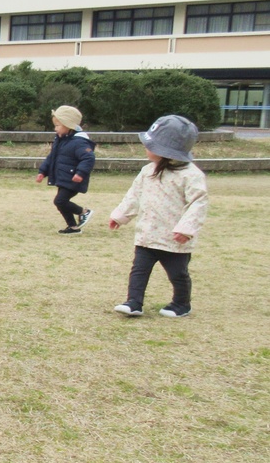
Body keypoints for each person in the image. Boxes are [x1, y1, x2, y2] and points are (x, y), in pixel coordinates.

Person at [109, 115, 208, 318]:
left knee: (178, 274)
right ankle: (134, 302)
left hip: (174, 239)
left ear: (165, 150)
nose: (146, 148)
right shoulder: (148, 171)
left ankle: (181, 303)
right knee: (139, 270)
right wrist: (120, 215)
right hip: (147, 234)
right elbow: (134, 195)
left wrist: (186, 229)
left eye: (150, 145)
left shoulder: (191, 175)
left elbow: (198, 203)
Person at [36, 105, 96, 234]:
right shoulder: (61, 140)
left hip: (73, 178)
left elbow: (88, 158)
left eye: (58, 125)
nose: (55, 128)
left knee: (60, 201)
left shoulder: (79, 142)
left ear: (68, 125)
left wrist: (80, 173)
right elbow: (52, 157)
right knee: (61, 203)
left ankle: (84, 212)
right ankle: (73, 227)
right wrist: (43, 171)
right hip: (63, 177)